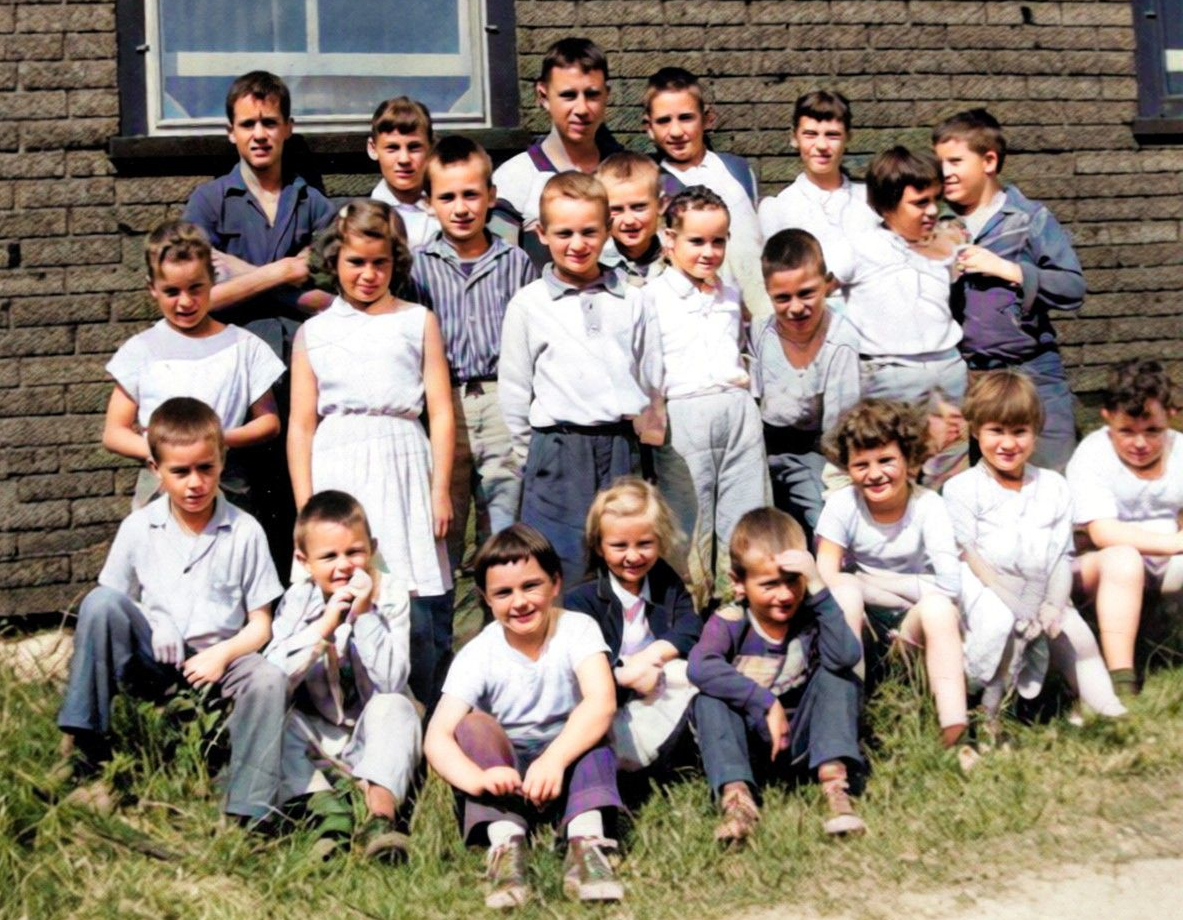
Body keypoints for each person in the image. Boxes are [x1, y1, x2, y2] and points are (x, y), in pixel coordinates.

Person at [56, 397, 286, 823]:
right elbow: (112, 601)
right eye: (180, 472)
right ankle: (86, 747)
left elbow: (260, 625)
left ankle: (248, 809)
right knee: (100, 602)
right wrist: (154, 617)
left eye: (206, 468)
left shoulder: (245, 531)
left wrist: (221, 655)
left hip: (218, 666)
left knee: (269, 677)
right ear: (155, 471)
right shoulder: (139, 527)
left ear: (222, 461)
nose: (194, 483)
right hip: (155, 662)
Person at [288, 199, 454, 711]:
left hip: (403, 459)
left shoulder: (416, 321)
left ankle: (421, 710)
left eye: (379, 262)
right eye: (356, 262)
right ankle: (343, 710)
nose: (367, 273)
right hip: (339, 464)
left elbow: (442, 411)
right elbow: (300, 424)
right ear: (335, 260)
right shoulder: (314, 332)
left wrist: (440, 488)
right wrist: (306, 506)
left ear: (395, 262)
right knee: (340, 581)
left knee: (412, 587)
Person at [183, 70, 336, 572]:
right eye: (248, 123)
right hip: (234, 375)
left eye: (269, 122)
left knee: (304, 493)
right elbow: (198, 299)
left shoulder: (313, 203)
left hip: (304, 373)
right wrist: (287, 270)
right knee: (241, 498)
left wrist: (245, 276)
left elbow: (333, 301)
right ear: (231, 132)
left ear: (288, 127)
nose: (259, 134)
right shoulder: (209, 201)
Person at [424, 525, 624, 908]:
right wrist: (479, 778)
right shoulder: (479, 652)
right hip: (507, 771)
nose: (519, 602)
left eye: (530, 586)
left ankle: (586, 846)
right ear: (485, 598)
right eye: (503, 592)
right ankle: (506, 847)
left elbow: (602, 700)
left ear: (555, 584)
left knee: (595, 733)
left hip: (565, 761)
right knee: (472, 726)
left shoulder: (578, 629)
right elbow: (437, 736)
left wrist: (554, 759)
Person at [498, 172, 662, 587]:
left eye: (589, 231)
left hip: (620, 446)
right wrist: (532, 455)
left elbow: (650, 373)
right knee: (561, 567)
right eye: (564, 232)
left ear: (607, 230)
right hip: (558, 450)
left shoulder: (633, 298)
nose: (577, 244)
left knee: (623, 560)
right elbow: (515, 391)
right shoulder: (529, 304)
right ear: (542, 233)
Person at [945, 371, 1125, 726]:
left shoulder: (1053, 486)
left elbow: (1060, 554)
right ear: (976, 430)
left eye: (1019, 432)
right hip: (988, 589)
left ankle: (1106, 705)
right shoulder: (963, 488)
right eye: (997, 431)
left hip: (1043, 586)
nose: (1008, 444)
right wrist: (1016, 601)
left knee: (1076, 634)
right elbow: (970, 556)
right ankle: (989, 715)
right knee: (1004, 629)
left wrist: (1053, 604)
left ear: (1035, 431)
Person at [689, 507, 866, 844]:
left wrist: (817, 587)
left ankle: (835, 786)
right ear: (739, 584)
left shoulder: (811, 616)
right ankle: (738, 800)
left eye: (793, 582)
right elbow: (699, 666)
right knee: (709, 700)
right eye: (769, 585)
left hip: (805, 742)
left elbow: (847, 655)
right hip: (751, 745)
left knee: (838, 675)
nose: (784, 595)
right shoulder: (731, 621)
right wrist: (764, 702)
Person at [266, 490, 421, 860]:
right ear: (304, 561)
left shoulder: (392, 594)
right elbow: (276, 675)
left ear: (372, 548)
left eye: (354, 552)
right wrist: (324, 626)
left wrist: (365, 615)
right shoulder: (298, 598)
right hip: (321, 730)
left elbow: (391, 680)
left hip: (373, 727)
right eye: (328, 556)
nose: (344, 567)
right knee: (278, 720)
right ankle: (326, 815)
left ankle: (379, 819)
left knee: (398, 706)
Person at [410, 136, 539, 573]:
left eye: (471, 195)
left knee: (503, 522)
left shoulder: (516, 263)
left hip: (501, 398)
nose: (461, 207)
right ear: (429, 203)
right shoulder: (417, 267)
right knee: (446, 520)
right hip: (444, 405)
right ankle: (453, 634)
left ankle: (497, 628)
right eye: (447, 197)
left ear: (491, 197)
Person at [934, 108, 1084, 471]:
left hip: (1032, 373)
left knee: (1054, 482)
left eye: (955, 160)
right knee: (968, 496)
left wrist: (1008, 269)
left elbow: (1072, 287)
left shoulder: (1029, 219)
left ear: (988, 160)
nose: (944, 172)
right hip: (968, 378)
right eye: (939, 162)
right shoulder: (937, 225)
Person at [815, 400, 969, 751]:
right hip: (864, 631)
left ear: (909, 460)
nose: (875, 473)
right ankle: (848, 724)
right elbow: (825, 577)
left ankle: (955, 734)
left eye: (886, 460)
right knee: (844, 593)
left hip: (913, 630)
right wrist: (858, 587)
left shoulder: (928, 506)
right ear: (848, 467)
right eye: (861, 464)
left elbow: (949, 585)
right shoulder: (843, 505)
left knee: (939, 609)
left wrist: (870, 583)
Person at [102, 220, 283, 510]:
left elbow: (269, 421)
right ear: (153, 289)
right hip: (161, 485)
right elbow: (114, 431)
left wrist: (218, 440)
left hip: (225, 484)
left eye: (196, 288)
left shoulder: (243, 346)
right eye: (172, 291)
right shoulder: (141, 350)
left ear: (212, 279)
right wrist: (165, 453)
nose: (185, 302)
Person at [644, 186, 767, 601]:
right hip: (685, 417)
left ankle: (738, 609)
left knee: (745, 516)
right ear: (668, 240)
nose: (709, 251)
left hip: (737, 414)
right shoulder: (651, 297)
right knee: (687, 525)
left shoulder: (731, 294)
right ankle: (689, 617)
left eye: (719, 241)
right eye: (696, 241)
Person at [564, 477, 702, 777]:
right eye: (619, 546)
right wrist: (626, 673)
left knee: (694, 672)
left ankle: (685, 751)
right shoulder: (582, 599)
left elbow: (691, 626)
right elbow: (578, 668)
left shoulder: (664, 579)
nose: (633, 556)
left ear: (660, 541)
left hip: (658, 679)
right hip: (612, 694)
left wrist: (653, 655)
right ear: (600, 547)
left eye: (644, 544)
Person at [1067, 360, 1183, 696]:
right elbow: (1103, 533)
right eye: (1126, 432)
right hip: (1103, 565)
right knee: (1124, 559)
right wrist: (1175, 542)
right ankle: (1122, 680)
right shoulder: (1093, 454)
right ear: (1106, 418)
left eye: (1152, 431)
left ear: (1172, 415)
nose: (1140, 444)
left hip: (1163, 558)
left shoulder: (1179, 450)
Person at [829, 146, 967, 406]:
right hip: (890, 374)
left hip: (948, 370)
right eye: (920, 203)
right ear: (888, 205)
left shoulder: (942, 245)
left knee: (951, 446)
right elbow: (816, 289)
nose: (933, 210)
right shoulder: (859, 246)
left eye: (935, 199)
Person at [754, 228, 860, 540]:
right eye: (782, 298)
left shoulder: (840, 341)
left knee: (822, 517)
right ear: (768, 292)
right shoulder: (761, 333)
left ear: (826, 284)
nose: (796, 308)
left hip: (812, 448)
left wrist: (837, 487)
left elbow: (840, 429)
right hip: (758, 445)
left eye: (806, 293)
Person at [644, 66, 768, 320]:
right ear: (649, 127)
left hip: (760, 317)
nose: (676, 131)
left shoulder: (738, 170)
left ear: (707, 118)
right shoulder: (652, 181)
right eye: (664, 121)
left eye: (686, 117)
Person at [491, 37, 620, 267]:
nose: (582, 109)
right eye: (568, 95)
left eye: (592, 95)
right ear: (543, 95)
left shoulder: (629, 173)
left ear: (606, 95)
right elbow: (500, 272)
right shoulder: (512, 179)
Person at [756, 90, 879, 286]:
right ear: (794, 137)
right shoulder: (778, 208)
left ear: (848, 137)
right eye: (810, 134)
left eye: (832, 135)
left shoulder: (871, 201)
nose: (821, 145)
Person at [367, 96, 441, 251]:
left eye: (414, 147)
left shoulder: (448, 209)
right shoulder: (367, 217)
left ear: (432, 147)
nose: (404, 159)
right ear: (373, 149)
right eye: (392, 148)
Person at [595, 151, 667, 285]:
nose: (629, 220)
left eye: (638, 207)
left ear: (661, 204)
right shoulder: (592, 264)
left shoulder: (680, 257)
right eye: (616, 209)